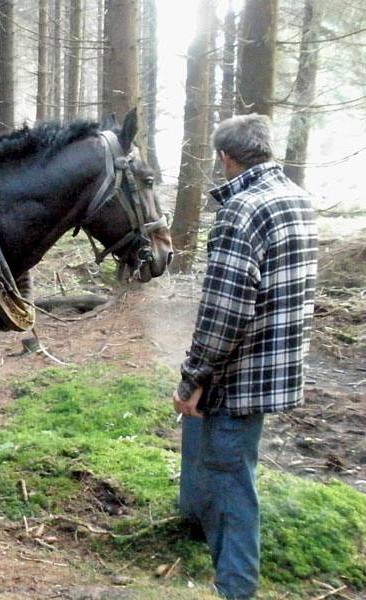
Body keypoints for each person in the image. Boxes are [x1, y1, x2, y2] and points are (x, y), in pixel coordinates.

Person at [172, 114, 318, 599]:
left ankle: (235, 587)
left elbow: (225, 310)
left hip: (238, 372)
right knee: (207, 449)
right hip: (276, 363)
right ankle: (193, 527)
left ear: (226, 157)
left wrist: (194, 375)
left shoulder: (242, 209)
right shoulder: (296, 198)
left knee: (231, 479)